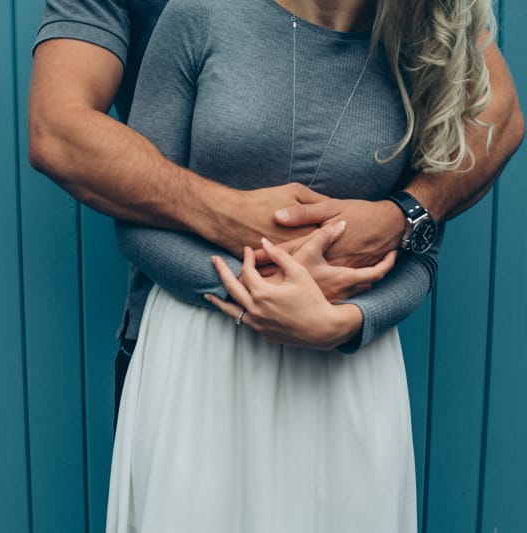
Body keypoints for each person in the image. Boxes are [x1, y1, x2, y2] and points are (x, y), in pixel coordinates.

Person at [29, 0, 524, 423]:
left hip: (346, 369)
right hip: (192, 344)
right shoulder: (197, 18)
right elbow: (59, 130)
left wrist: (402, 221)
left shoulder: (417, 30)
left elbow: (494, 116)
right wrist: (242, 241)